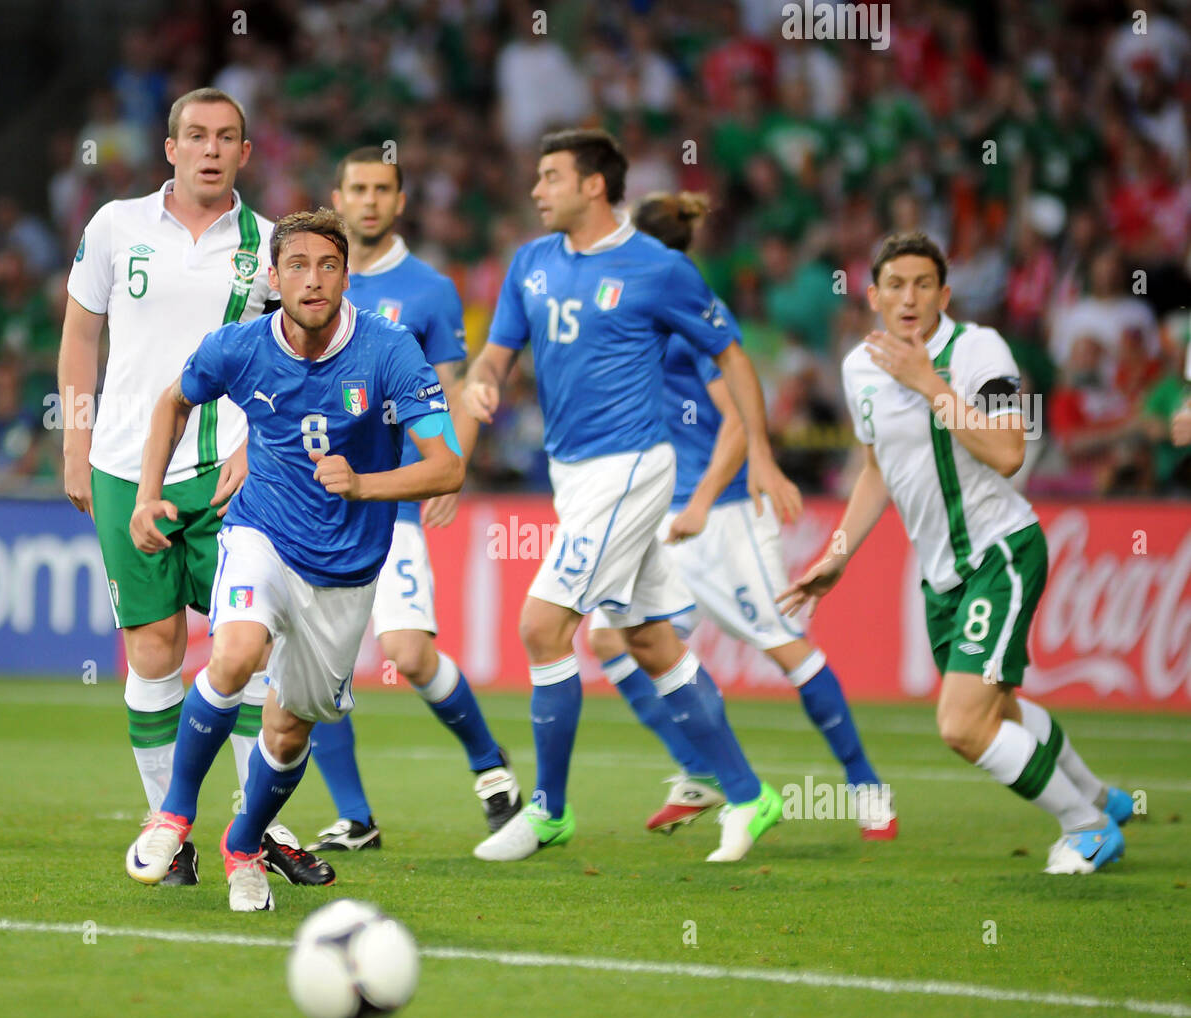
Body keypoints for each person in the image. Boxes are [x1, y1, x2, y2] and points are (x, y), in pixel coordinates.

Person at [464, 129, 800, 864]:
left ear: (592, 185)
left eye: (549, 176)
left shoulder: (658, 269)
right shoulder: (531, 263)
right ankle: (750, 795)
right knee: (648, 639)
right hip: (571, 473)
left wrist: (763, 451)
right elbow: (496, 352)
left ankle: (548, 811)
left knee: (542, 626)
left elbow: (732, 355)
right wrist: (482, 382)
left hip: (631, 468)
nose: (535, 190)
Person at [124, 208, 464, 910]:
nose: (314, 280)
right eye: (299, 266)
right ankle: (172, 813)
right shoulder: (238, 345)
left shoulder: (390, 351)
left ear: (346, 276)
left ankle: (244, 845)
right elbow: (171, 403)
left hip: (346, 569)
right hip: (262, 535)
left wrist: (365, 483)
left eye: (329, 266)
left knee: (287, 729)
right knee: (234, 654)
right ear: (273, 278)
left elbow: (448, 466)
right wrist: (145, 495)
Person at [778, 231, 1132, 875]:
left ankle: (1088, 827)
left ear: (944, 294)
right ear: (873, 295)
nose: (908, 297)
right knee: (1000, 707)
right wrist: (838, 552)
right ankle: (1101, 795)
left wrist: (930, 383)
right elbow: (876, 468)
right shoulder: (860, 366)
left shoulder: (981, 350)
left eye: (922, 284)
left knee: (963, 726)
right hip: (942, 576)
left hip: (1000, 553)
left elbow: (1009, 450)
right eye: (894, 285)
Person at [59, 87, 331, 887]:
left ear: (247, 155)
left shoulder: (269, 244)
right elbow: (80, 335)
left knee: (249, 645)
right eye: (197, 136)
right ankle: (167, 828)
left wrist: (262, 442)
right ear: (171, 148)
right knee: (153, 647)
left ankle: (260, 826)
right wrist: (76, 443)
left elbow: (303, 350)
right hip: (122, 464)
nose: (211, 149)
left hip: (230, 471)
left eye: (228, 138)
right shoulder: (115, 226)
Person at [585, 192, 892, 840]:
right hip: (663, 510)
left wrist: (725, 484)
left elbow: (735, 410)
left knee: (784, 644)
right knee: (611, 636)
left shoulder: (696, 309)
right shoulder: (635, 311)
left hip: (719, 513)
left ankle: (867, 786)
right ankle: (700, 769)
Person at [306, 146, 519, 854]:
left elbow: (449, 387)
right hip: (307, 504)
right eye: (357, 187)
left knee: (408, 651)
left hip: (389, 498)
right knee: (314, 668)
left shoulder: (428, 290)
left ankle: (490, 764)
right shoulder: (302, 280)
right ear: (336, 196)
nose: (368, 200)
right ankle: (356, 817)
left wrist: (448, 466)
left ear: (400, 202)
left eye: (382, 189)